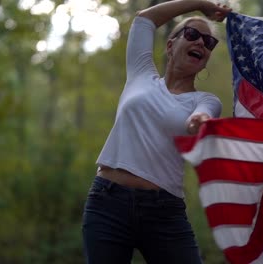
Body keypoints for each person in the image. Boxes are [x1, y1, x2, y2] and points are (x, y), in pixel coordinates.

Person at [82, 1, 231, 263]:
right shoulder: (140, 74)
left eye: (208, 42)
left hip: (164, 212)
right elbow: (144, 19)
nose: (201, 43)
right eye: (192, 34)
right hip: (108, 203)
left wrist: (200, 121)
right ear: (170, 45)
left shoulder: (205, 100)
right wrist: (201, 5)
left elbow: (202, 116)